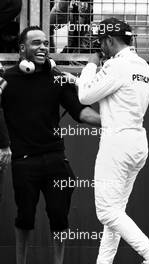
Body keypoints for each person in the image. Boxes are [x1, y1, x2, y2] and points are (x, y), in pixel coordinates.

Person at [77, 17, 149, 264]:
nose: (100, 47)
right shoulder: (143, 65)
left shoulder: (117, 66)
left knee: (107, 212)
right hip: (137, 142)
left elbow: (85, 95)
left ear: (109, 40)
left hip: (117, 142)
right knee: (116, 214)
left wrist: (90, 65)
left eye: (101, 42)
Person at [1, 25, 101, 264]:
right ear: (22, 48)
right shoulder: (8, 79)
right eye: (36, 43)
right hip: (24, 161)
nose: (43, 47)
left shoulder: (56, 77)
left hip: (55, 158)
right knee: (24, 217)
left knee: (59, 217)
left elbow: (81, 113)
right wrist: (4, 145)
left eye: (45, 43)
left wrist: (114, 122)